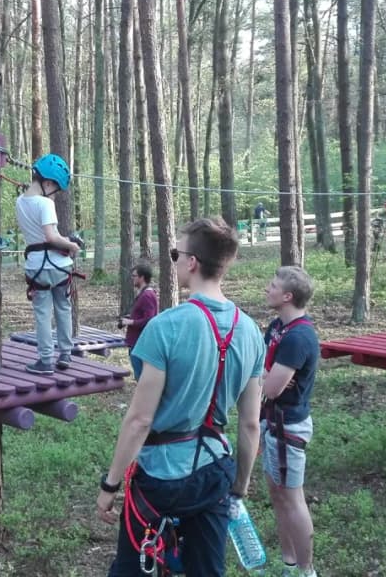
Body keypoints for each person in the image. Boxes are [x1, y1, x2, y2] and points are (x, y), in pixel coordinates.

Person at [96, 217, 265, 577]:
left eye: (176, 254)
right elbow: (251, 424)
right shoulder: (251, 331)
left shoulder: (166, 327)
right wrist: (239, 486)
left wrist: (110, 484)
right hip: (215, 475)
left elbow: (140, 420)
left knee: (132, 569)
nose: (173, 260)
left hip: (160, 479)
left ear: (192, 262)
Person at [260, 266, 319, 577]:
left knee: (293, 499)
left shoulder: (298, 337)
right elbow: (261, 370)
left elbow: (269, 388)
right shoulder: (276, 327)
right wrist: (268, 376)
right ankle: (289, 565)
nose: (267, 289)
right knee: (278, 495)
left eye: (273, 285)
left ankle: (307, 571)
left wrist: (267, 378)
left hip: (288, 428)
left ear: (287, 296)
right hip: (270, 423)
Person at [15, 153, 81, 374]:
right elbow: (51, 236)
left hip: (36, 268)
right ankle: (65, 354)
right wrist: (71, 245)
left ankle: (45, 360)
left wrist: (64, 241)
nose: (55, 195)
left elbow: (39, 235)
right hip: (58, 266)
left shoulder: (20, 202)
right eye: (56, 190)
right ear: (48, 183)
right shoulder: (45, 204)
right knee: (63, 308)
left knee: (43, 313)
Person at [119, 263, 158, 377]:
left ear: (142, 277)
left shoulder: (147, 296)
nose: (132, 278)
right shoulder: (143, 294)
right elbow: (143, 316)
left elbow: (150, 320)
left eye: (134, 276)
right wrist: (130, 317)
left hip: (141, 344)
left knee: (141, 377)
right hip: (137, 343)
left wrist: (130, 322)